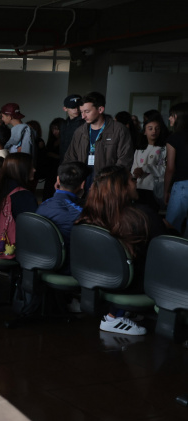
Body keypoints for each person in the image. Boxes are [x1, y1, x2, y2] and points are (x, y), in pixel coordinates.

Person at [76, 165, 163, 335]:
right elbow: (163, 253)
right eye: (131, 180)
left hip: (101, 280)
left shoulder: (88, 215)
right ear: (121, 188)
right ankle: (114, 316)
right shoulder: (142, 216)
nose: (135, 182)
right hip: (133, 285)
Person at [63, 91, 134, 191]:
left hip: (108, 188)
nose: (83, 116)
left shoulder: (119, 130)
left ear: (100, 109)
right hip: (82, 185)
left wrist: (106, 182)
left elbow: (124, 161)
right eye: (81, 112)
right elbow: (69, 158)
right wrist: (63, 178)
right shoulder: (80, 132)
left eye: (87, 112)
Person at [36, 161, 87, 273]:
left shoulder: (43, 206)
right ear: (83, 184)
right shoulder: (80, 213)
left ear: (58, 180)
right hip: (70, 269)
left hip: (42, 265)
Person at [0, 153, 38, 256]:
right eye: (30, 167)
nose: (34, 170)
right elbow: (34, 227)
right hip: (17, 249)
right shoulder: (23, 195)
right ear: (20, 170)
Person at [131, 114, 167, 209]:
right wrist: (135, 174)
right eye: (150, 128)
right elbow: (134, 166)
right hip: (139, 187)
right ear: (145, 132)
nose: (154, 131)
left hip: (154, 188)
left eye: (157, 128)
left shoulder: (163, 149)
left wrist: (145, 168)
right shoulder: (139, 150)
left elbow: (165, 168)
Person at [164, 102, 188, 235]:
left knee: (172, 228)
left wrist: (166, 190)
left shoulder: (174, 138)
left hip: (181, 186)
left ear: (178, 116)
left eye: (171, 116)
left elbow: (170, 168)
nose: (169, 119)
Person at [58, 94, 84, 163]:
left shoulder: (85, 123)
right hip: (66, 161)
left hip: (79, 161)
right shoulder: (64, 124)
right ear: (65, 109)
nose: (77, 110)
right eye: (73, 107)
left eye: (78, 106)